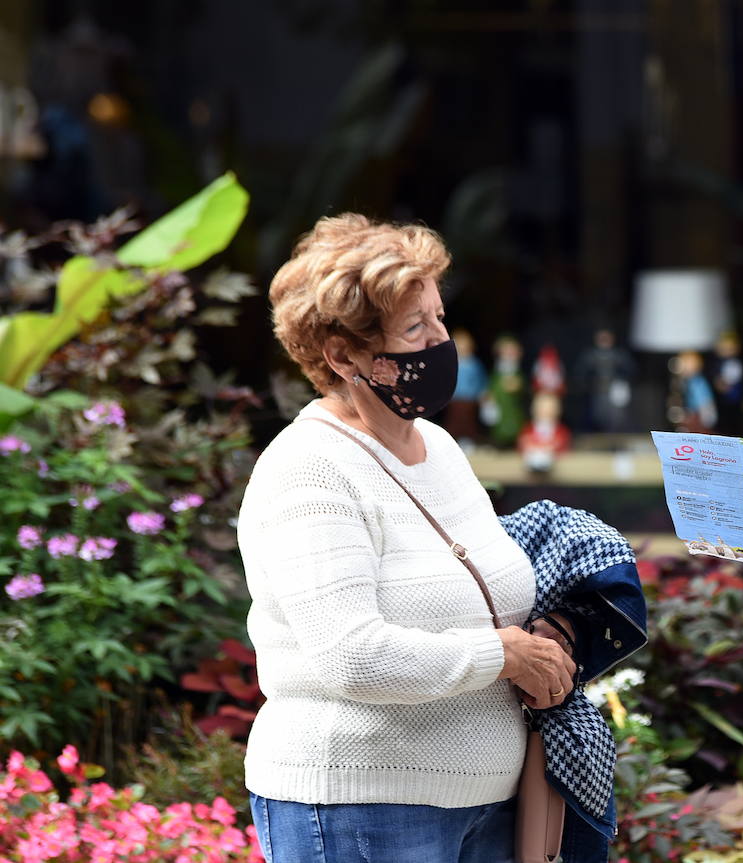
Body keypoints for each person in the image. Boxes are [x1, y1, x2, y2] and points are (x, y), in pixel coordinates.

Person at [239, 214, 646, 863]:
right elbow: (354, 656)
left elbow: (484, 590)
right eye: (413, 328)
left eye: (439, 316)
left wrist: (551, 637)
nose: (440, 340)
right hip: (363, 808)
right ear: (343, 355)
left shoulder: (441, 449)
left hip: (488, 805)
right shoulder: (309, 469)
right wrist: (503, 655)